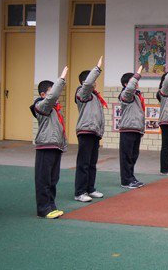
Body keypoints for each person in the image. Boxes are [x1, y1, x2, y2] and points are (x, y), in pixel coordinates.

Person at [30, 66, 68, 219]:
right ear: (43, 94)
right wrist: (62, 79)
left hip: (55, 146)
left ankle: (51, 205)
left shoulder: (54, 109)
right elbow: (51, 98)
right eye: (52, 92)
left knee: (53, 179)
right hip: (46, 145)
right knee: (43, 178)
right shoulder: (41, 106)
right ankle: (43, 209)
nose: (56, 97)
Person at [74, 56, 107, 202]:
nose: (95, 83)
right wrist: (98, 68)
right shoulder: (82, 93)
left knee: (92, 163)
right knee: (84, 163)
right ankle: (80, 192)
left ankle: (90, 188)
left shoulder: (95, 96)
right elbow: (87, 85)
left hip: (95, 133)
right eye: (93, 80)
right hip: (86, 131)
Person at [118, 66, 145, 189]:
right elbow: (129, 89)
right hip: (128, 128)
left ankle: (131, 177)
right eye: (134, 81)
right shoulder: (126, 95)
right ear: (125, 84)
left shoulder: (137, 96)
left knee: (133, 155)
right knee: (126, 156)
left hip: (136, 129)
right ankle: (126, 180)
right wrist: (137, 75)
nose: (136, 83)